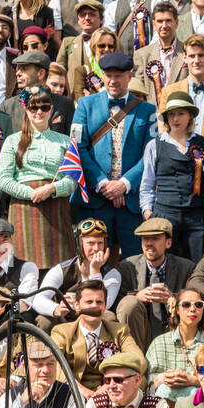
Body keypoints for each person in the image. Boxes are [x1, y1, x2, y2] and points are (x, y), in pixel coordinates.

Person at [69, 51, 157, 259]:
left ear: (130, 75)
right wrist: (102, 183)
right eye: (108, 75)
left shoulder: (148, 110)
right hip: (95, 198)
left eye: (119, 75)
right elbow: (76, 147)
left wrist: (125, 183)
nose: (113, 80)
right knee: (93, 260)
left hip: (131, 201)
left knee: (135, 262)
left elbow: (151, 153)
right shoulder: (85, 105)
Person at [0, 86, 75, 269]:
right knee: (24, 262)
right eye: (33, 107)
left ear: (51, 109)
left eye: (44, 107)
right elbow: (3, 179)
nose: (39, 112)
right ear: (26, 109)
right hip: (24, 206)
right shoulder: (12, 141)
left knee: (60, 263)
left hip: (56, 205)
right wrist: (31, 193)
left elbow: (72, 180)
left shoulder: (65, 141)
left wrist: (51, 189)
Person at [141, 91, 204, 262]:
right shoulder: (154, 145)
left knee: (199, 264)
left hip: (198, 215)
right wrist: (148, 213)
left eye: (181, 113)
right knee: (166, 265)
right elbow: (147, 184)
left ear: (190, 116)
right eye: (171, 114)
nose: (176, 119)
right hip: (165, 213)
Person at [115, 216, 196, 352]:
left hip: (173, 329)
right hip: (140, 330)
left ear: (168, 243)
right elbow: (116, 304)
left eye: (155, 238)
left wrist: (172, 299)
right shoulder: (127, 266)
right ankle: (134, 358)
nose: (149, 243)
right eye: (145, 239)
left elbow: (196, 301)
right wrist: (137, 296)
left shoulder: (186, 267)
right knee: (129, 303)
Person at [51, 278, 140, 397]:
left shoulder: (120, 331)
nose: (95, 306)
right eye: (89, 302)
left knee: (139, 379)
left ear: (105, 305)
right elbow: (53, 363)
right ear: (77, 305)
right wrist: (81, 390)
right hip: (74, 395)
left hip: (112, 393)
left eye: (99, 302)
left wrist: (110, 385)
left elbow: (138, 360)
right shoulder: (61, 331)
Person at [33, 217, 121, 328]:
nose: (96, 248)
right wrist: (56, 309)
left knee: (108, 316)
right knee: (44, 320)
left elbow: (102, 306)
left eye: (100, 243)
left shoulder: (112, 274)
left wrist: (95, 271)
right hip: (64, 322)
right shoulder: (62, 269)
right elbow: (38, 299)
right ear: (79, 244)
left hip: (94, 322)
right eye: (91, 243)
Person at [145, 287, 204, 403]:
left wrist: (193, 381)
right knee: (164, 391)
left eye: (198, 305)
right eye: (186, 304)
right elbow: (148, 384)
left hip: (201, 406)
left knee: (195, 393)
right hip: (165, 406)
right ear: (177, 310)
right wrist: (163, 378)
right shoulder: (159, 342)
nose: (193, 309)